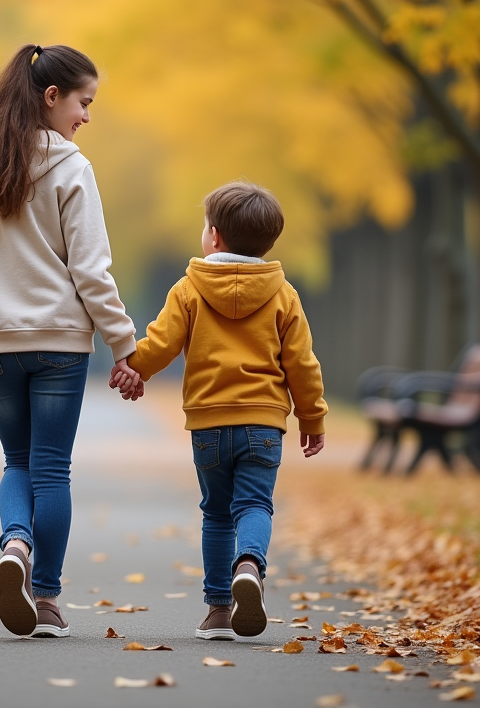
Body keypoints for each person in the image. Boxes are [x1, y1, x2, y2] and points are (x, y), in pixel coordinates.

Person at [0, 44, 141, 639]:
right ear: (52, 96)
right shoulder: (72, 167)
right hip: (59, 343)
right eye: (84, 102)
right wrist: (124, 345)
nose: (87, 117)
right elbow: (91, 270)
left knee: (17, 462)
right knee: (51, 470)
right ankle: (45, 600)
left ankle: (15, 545)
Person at [112, 181, 327, 640]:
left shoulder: (190, 288)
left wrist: (134, 369)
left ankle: (218, 612)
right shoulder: (283, 294)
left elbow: (162, 342)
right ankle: (249, 564)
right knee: (254, 504)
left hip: (209, 423)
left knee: (215, 512)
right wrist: (312, 416)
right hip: (264, 422)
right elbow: (302, 363)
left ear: (214, 237)